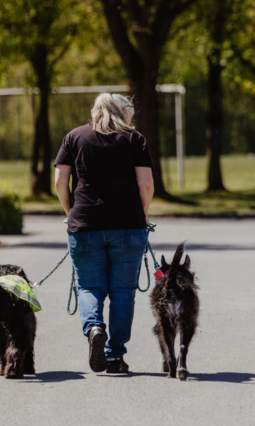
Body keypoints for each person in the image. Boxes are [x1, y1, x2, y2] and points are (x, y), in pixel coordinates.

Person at [54, 93, 155, 374]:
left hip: (85, 224)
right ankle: (114, 356)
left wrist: (69, 211)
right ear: (123, 113)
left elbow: (60, 181)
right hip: (128, 226)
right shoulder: (135, 140)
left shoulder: (74, 137)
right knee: (123, 291)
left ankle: (95, 328)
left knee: (89, 287)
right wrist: (143, 213)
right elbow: (145, 184)